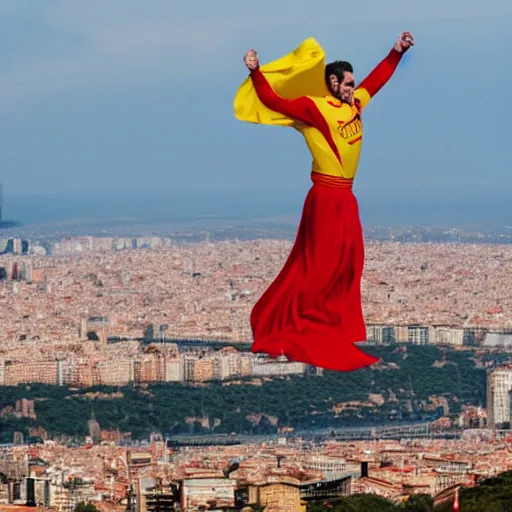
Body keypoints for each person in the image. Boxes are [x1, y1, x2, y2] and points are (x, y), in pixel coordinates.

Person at [235, 32, 415, 371]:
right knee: (319, 263)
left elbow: (378, 79)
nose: (352, 87)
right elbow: (274, 101)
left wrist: (397, 51)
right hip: (325, 196)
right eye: (347, 83)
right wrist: (255, 71)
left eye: (352, 83)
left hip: (347, 196)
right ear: (332, 82)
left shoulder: (356, 103)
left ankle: (333, 324)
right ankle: (293, 323)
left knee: (351, 260)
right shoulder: (316, 107)